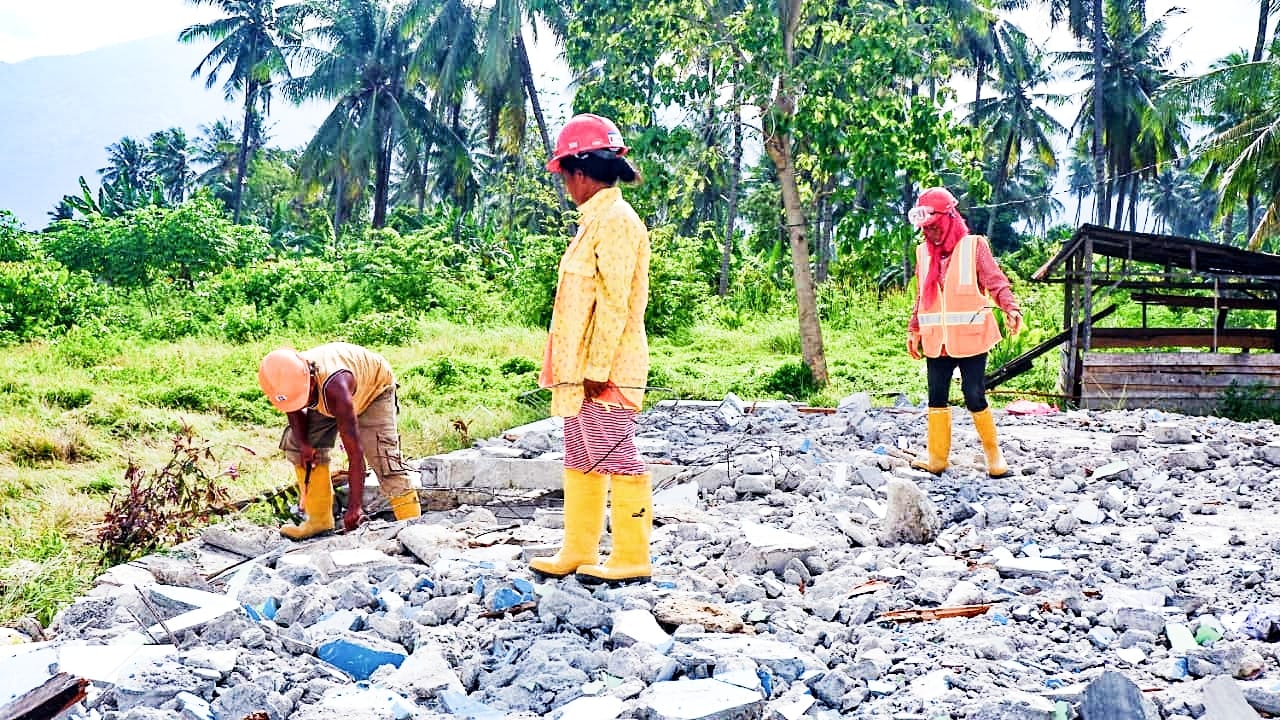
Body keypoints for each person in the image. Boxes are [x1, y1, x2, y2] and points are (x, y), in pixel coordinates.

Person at [530, 113, 653, 584]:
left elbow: (616, 301)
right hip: (581, 367)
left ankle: (631, 555)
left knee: (615, 452)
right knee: (581, 452)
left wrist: (598, 366)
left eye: (565, 176)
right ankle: (578, 550)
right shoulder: (593, 221)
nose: (565, 185)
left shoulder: (617, 221)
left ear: (580, 172)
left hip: (608, 368)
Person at [905, 187, 1023, 478]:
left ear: (948, 219)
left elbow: (995, 281)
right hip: (937, 341)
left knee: (974, 395)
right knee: (936, 396)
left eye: (933, 228)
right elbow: (922, 295)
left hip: (971, 338)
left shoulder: (974, 246)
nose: (929, 235)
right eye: (925, 230)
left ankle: (994, 455)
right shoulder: (923, 253)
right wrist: (914, 328)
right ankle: (936, 458)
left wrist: (1011, 307)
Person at [257, 342, 420, 539]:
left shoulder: (335, 388)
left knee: (384, 458)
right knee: (296, 445)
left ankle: (412, 526)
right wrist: (305, 445)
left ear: (310, 378)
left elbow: (355, 454)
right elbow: (293, 409)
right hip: (327, 394)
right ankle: (318, 521)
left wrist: (355, 507)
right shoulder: (286, 382)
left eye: (305, 397)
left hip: (373, 391)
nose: (304, 402)